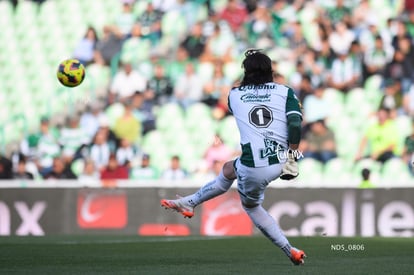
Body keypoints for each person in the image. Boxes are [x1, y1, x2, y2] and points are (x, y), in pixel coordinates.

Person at [161, 49, 306, 265]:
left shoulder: (235, 94)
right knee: (229, 169)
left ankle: (290, 250)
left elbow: (242, 94)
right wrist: (293, 156)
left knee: (251, 206)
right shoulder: (285, 92)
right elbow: (294, 123)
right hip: (279, 161)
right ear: (271, 71)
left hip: (254, 166)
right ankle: (189, 202)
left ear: (246, 73)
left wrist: (247, 73)